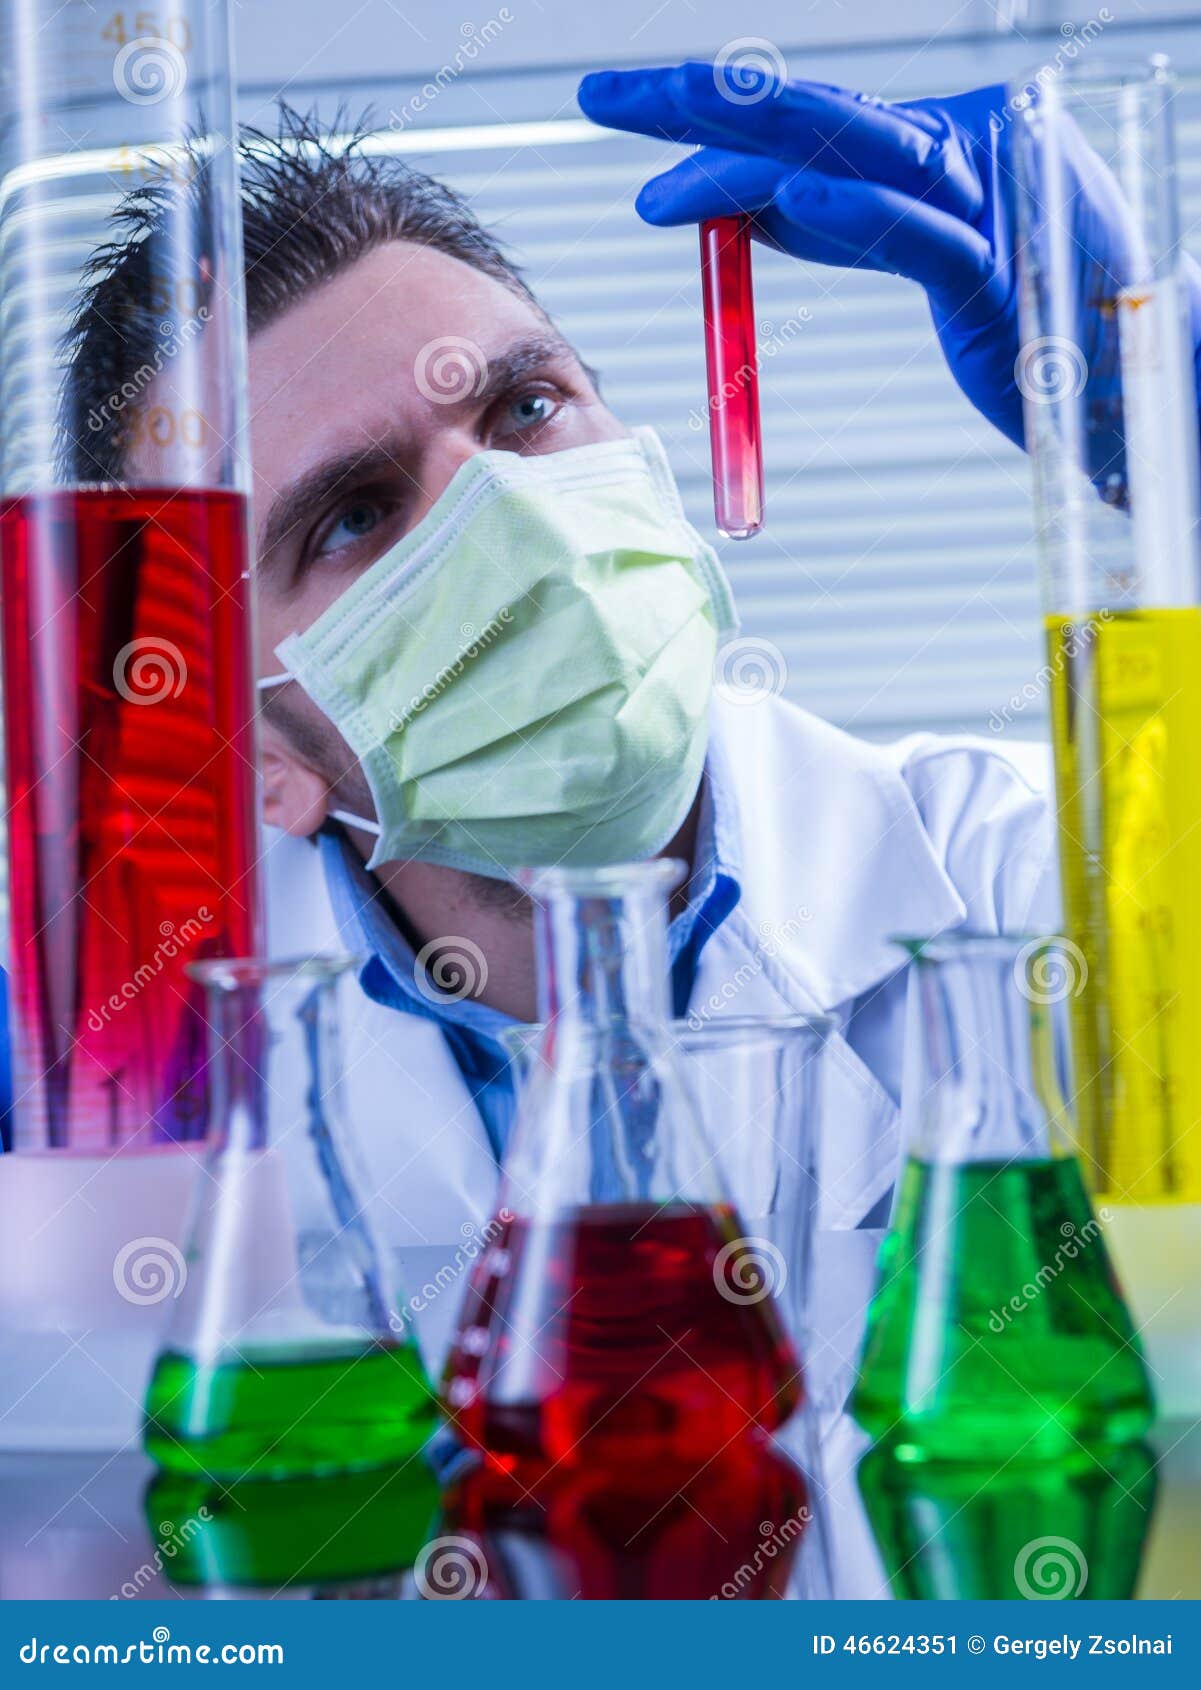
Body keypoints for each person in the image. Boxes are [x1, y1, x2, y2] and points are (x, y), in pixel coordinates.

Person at [47, 64, 1125, 1400]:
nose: (510, 520)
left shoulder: (1042, 879)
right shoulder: (131, 1064)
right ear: (258, 754)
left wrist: (1174, 436)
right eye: (355, 515)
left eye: (525, 407)